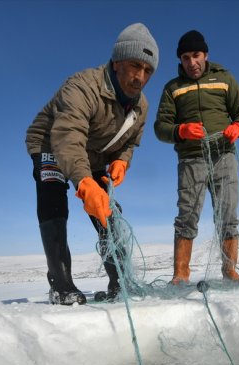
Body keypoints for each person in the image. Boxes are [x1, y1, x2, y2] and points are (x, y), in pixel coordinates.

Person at [25, 23, 158, 305]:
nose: (141, 77)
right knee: (53, 200)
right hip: (51, 142)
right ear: (117, 61)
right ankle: (62, 285)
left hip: (93, 154)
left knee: (107, 212)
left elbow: (131, 142)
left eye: (148, 70)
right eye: (135, 65)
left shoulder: (141, 106)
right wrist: (85, 183)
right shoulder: (82, 86)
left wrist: (122, 160)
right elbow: (68, 136)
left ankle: (118, 283)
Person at [154, 30, 239, 286]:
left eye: (196, 55)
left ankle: (230, 272)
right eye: (186, 57)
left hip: (224, 156)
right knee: (187, 216)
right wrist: (180, 130)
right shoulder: (172, 88)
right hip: (191, 160)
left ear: (205, 54)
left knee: (227, 215)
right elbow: (160, 127)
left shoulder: (224, 78)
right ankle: (180, 275)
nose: (192, 62)